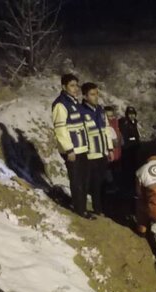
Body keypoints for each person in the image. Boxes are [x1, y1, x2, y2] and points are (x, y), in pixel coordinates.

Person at [52, 73, 91, 219]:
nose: (75, 89)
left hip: (82, 147)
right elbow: (60, 130)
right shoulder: (61, 104)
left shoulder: (74, 102)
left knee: (84, 179)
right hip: (72, 150)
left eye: (77, 85)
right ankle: (80, 210)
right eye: (72, 86)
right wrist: (69, 150)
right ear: (64, 87)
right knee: (76, 180)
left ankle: (82, 206)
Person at [80, 82, 114, 216]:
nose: (96, 97)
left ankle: (101, 208)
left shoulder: (100, 109)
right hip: (89, 154)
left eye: (97, 94)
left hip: (102, 152)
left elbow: (106, 130)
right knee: (92, 183)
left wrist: (110, 148)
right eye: (92, 94)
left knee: (102, 183)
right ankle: (95, 208)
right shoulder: (81, 111)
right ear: (85, 96)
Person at [119, 106, 141, 193]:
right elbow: (125, 136)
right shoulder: (125, 123)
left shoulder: (134, 122)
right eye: (130, 114)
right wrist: (132, 140)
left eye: (133, 114)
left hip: (134, 148)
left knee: (135, 166)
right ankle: (128, 187)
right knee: (129, 167)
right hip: (128, 148)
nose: (131, 116)